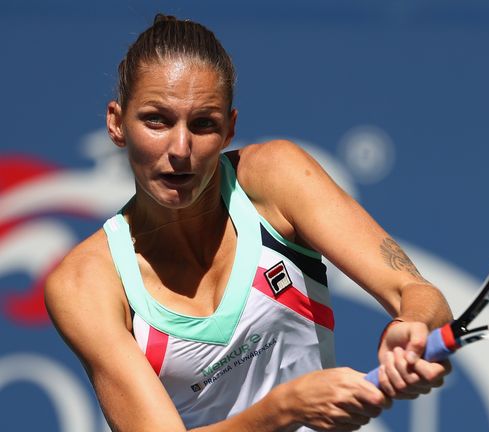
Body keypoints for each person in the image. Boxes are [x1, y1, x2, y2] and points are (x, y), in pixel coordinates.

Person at [44, 14, 452, 432]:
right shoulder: (84, 283)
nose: (180, 148)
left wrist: (413, 328)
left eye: (203, 124)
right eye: (157, 120)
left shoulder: (276, 176)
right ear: (116, 124)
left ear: (229, 130)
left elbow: (418, 293)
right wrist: (287, 409)